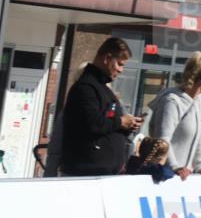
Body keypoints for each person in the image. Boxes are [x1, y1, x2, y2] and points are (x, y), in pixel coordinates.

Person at [60, 37, 141, 176]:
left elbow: (108, 127)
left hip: (102, 173)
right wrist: (121, 122)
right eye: (120, 64)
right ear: (107, 58)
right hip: (86, 174)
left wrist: (127, 126)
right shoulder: (86, 87)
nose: (121, 70)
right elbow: (92, 123)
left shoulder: (103, 89)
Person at [146, 52, 201, 182]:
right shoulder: (172, 101)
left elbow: (199, 136)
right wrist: (175, 166)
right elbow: (163, 139)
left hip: (184, 175)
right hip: (164, 175)